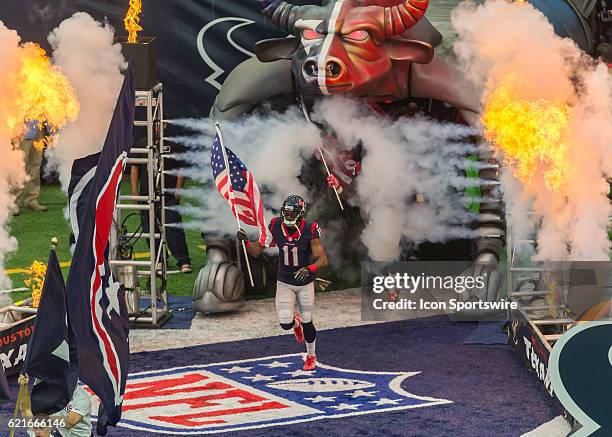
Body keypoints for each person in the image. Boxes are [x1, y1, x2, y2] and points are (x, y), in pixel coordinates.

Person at [237, 195, 328, 371]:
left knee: (308, 319)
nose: (288, 215)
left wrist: (310, 269)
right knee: (285, 323)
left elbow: (322, 259)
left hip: (304, 283)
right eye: (286, 212)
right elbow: (257, 250)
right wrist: (245, 241)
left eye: (292, 213)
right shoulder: (275, 224)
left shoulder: (310, 229)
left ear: (300, 214)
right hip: (285, 281)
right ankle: (296, 324)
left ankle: (311, 356)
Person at [130, 133, 192, 273]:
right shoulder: (141, 143)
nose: (154, 125)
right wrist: (135, 192)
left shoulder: (173, 142)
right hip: (146, 195)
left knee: (173, 228)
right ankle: (159, 259)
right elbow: (134, 167)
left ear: (163, 125)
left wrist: (178, 190)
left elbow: (181, 167)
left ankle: (183, 260)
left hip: (168, 194)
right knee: (149, 229)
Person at [18, 374, 92, 437]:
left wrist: (44, 419)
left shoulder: (82, 398)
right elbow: (25, 409)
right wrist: (24, 386)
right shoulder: (54, 392)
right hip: (62, 433)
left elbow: (70, 422)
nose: (37, 432)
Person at [15, 120, 48, 213]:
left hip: (39, 127)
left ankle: (31, 199)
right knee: (20, 165)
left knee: (35, 165)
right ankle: (13, 201)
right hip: (23, 128)